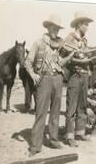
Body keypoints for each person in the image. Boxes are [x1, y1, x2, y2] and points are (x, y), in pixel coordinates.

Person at [24, 15, 70, 156]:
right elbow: (27, 62)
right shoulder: (38, 43)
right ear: (48, 27)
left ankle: (54, 140)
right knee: (41, 113)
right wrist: (33, 75)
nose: (55, 30)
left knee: (55, 112)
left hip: (57, 78)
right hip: (43, 79)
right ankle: (36, 146)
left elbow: (61, 62)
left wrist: (70, 55)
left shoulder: (60, 45)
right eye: (53, 27)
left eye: (57, 28)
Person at [63, 11, 94, 147]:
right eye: (85, 25)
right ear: (78, 25)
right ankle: (69, 136)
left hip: (85, 76)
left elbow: (86, 57)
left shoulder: (85, 41)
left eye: (87, 25)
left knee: (82, 105)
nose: (87, 27)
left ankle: (80, 132)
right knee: (72, 107)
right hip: (74, 76)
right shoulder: (69, 39)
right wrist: (80, 61)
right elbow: (66, 59)